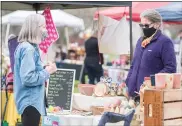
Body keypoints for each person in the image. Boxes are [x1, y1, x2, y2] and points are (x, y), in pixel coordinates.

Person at [14, 14, 57, 126]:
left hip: (30, 102)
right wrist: (47, 71)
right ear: (34, 28)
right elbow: (27, 78)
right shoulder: (28, 49)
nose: (45, 30)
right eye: (43, 27)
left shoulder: (28, 47)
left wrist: (43, 68)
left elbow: (29, 71)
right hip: (30, 102)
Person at [125, 9, 176, 97]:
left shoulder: (165, 42)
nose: (144, 28)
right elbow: (134, 65)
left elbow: (170, 68)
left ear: (157, 24)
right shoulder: (140, 41)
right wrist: (128, 82)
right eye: (142, 25)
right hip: (134, 93)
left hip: (151, 93)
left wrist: (151, 82)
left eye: (146, 25)